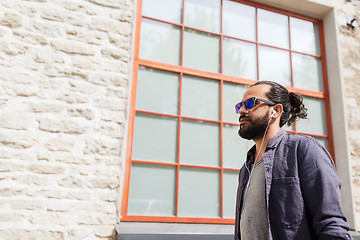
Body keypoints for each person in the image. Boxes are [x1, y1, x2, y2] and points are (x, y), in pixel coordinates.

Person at [234, 81, 353, 240]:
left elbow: (331, 224)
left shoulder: (303, 150)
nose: (241, 110)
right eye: (239, 106)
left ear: (275, 111)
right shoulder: (246, 169)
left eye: (250, 103)